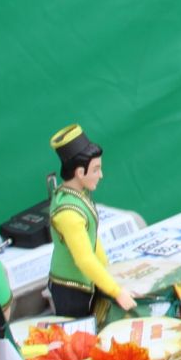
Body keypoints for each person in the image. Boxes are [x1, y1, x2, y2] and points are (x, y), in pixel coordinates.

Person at [46, 124, 135, 318]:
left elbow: (93, 241)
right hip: (71, 289)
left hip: (87, 283)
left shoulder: (78, 196)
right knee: (78, 340)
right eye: (96, 170)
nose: (100, 175)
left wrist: (108, 274)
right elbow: (84, 258)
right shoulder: (68, 213)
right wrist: (116, 291)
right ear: (79, 172)